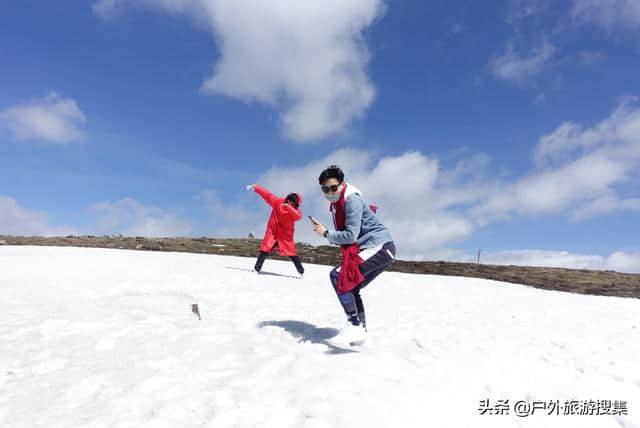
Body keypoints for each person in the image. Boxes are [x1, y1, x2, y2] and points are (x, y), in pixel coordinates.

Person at [311, 165, 396, 343]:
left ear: (342, 185)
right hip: (375, 248)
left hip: (379, 246)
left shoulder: (351, 199)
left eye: (333, 188)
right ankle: (360, 335)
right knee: (352, 287)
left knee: (338, 275)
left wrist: (326, 233)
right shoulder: (337, 204)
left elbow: (351, 235)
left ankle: (355, 325)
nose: (330, 192)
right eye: (325, 189)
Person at [247, 184, 305, 276]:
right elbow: (267, 195)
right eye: (289, 200)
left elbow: (298, 217)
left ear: (296, 204)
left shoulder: (295, 212)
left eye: (292, 202)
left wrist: (288, 208)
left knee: (292, 253)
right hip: (273, 233)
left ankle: (301, 271)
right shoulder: (278, 202)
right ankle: (256, 269)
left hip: (285, 236)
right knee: (265, 249)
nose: (289, 202)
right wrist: (256, 188)